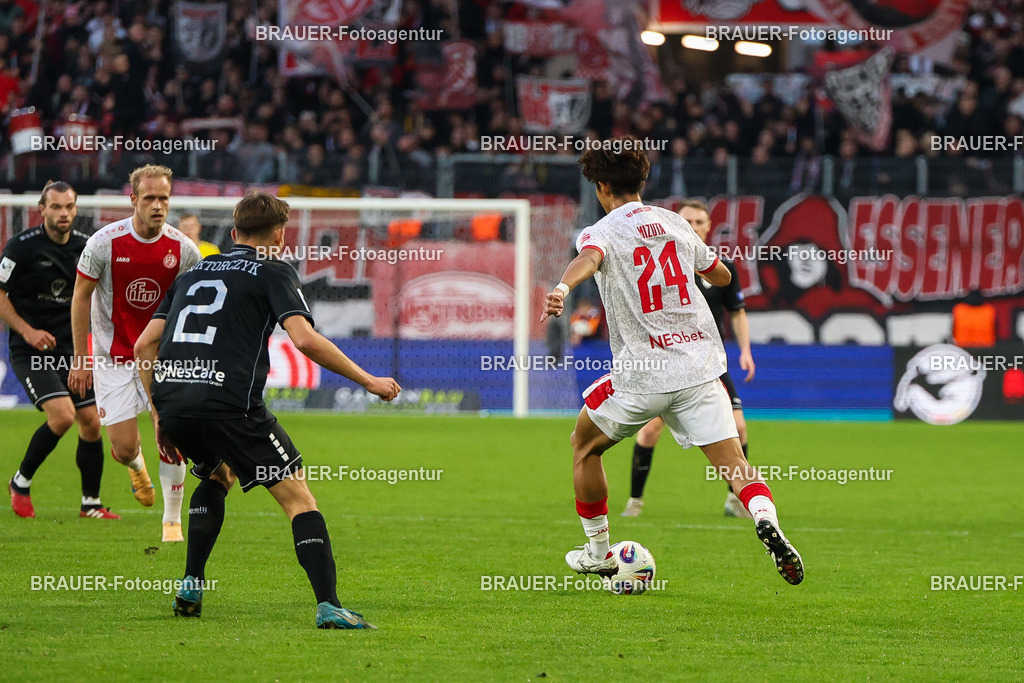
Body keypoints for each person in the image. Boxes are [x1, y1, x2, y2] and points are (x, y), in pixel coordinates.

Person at [134, 192, 402, 629]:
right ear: (279, 234)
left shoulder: (193, 271)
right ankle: (329, 606)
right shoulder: (274, 269)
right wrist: (368, 380)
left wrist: (159, 413)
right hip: (229, 405)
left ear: (234, 232)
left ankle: (191, 583)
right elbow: (305, 340)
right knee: (299, 497)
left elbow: (144, 344)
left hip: (174, 399)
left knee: (218, 474)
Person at [540, 140, 802, 586]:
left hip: (642, 375)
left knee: (584, 446)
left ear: (603, 187)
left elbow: (589, 259)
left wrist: (563, 289)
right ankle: (765, 519)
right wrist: (700, 269)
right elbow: (721, 274)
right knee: (735, 465)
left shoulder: (601, 230)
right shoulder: (676, 223)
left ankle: (598, 553)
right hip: (699, 369)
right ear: (642, 181)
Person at [68, 165, 201, 542]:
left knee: (171, 434)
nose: (158, 205)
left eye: (164, 198)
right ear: (133, 199)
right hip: (113, 358)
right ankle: (136, 466)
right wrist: (81, 357)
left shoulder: (184, 250)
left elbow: (196, 303)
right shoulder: (103, 243)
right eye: (150, 198)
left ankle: (171, 522)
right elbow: (80, 297)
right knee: (124, 448)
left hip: (162, 359)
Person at [622, 199, 756, 519]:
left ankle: (735, 500)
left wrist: (746, 351)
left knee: (739, 427)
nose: (693, 227)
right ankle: (635, 501)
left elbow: (737, 312)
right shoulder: (662, 264)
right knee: (650, 431)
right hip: (669, 362)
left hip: (708, 363)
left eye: (699, 222)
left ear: (709, 227)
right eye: (688, 222)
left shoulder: (722, 267)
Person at [1, 181, 116, 519]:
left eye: (69, 206)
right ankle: (21, 481)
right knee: (64, 415)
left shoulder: (86, 247)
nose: (63, 213)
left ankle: (90, 503)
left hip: (71, 349)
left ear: (76, 208)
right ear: (43, 209)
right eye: (56, 207)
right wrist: (27, 331)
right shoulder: (21, 247)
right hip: (30, 350)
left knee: (91, 421)